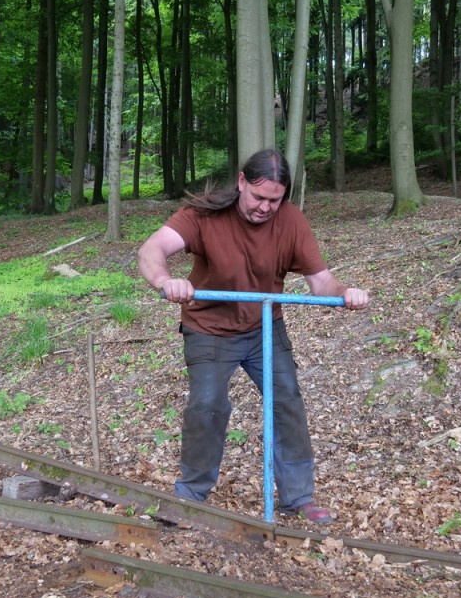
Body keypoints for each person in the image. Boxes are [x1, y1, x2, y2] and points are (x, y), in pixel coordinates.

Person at [137, 148, 369, 523]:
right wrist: (166, 280)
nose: (264, 207)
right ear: (242, 182)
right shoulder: (205, 214)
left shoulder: (292, 222)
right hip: (209, 328)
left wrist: (345, 293)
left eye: (274, 200)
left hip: (264, 327)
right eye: (258, 197)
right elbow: (152, 249)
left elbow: (321, 280)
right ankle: (190, 496)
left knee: (287, 401)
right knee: (208, 406)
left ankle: (298, 497)